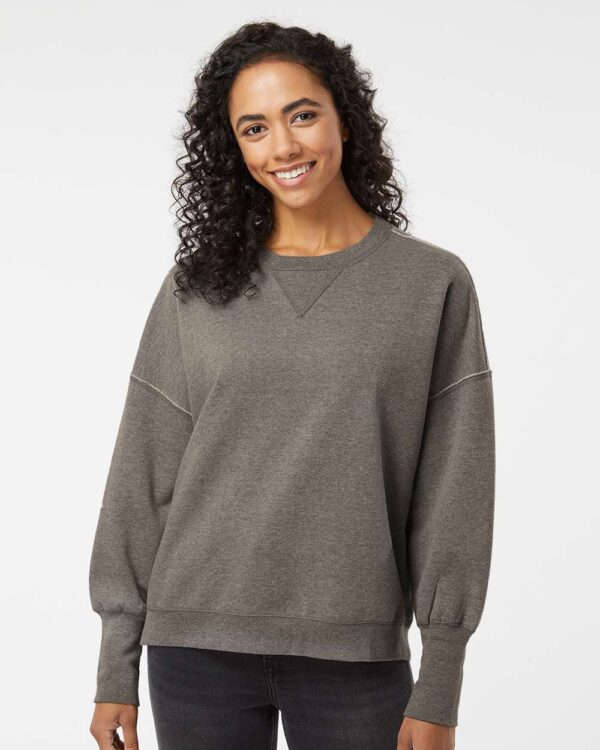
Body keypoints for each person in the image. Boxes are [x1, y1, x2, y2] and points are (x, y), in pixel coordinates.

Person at [88, 21, 495, 750]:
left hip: (356, 657)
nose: (282, 146)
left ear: (345, 117)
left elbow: (454, 491)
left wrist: (442, 678)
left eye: (301, 115)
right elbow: (142, 474)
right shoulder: (195, 289)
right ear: (234, 149)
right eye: (254, 128)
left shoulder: (430, 284)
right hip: (194, 650)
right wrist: (115, 663)